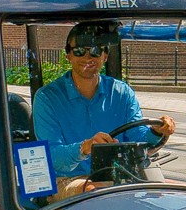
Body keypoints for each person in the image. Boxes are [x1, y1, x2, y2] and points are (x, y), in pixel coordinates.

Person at [32, 21, 176, 196]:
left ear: (105, 56)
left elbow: (139, 139)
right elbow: (51, 157)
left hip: (120, 175)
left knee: (171, 191)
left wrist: (157, 131)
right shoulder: (47, 98)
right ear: (68, 55)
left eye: (95, 50)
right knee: (96, 193)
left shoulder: (122, 92)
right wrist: (85, 148)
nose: (87, 57)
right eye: (79, 51)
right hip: (68, 179)